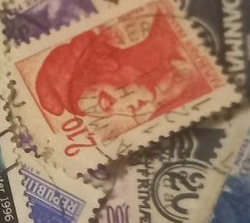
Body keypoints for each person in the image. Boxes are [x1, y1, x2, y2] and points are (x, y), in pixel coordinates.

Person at [33, 8, 206, 135]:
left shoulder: (161, 25)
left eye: (108, 101)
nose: (128, 110)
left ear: (104, 65)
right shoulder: (172, 97)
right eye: (111, 113)